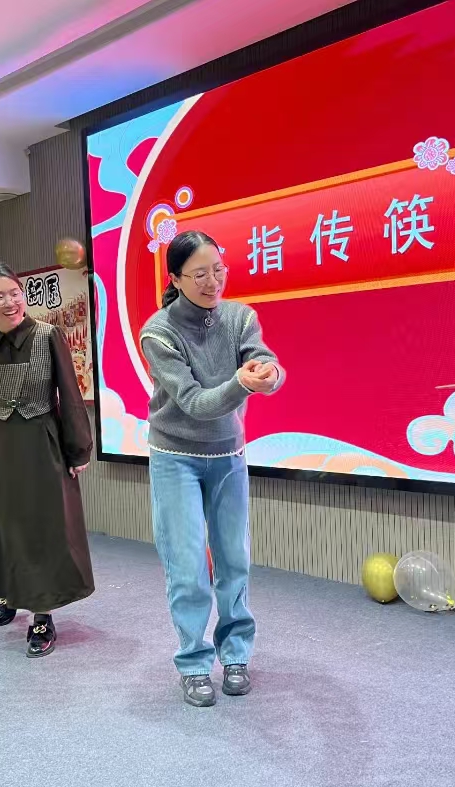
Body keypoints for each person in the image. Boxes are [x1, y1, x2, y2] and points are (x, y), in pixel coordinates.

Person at [140, 230, 285, 707]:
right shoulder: (158, 332)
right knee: (187, 568)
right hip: (175, 457)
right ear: (176, 279)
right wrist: (241, 383)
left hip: (227, 457)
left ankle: (236, 654)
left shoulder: (241, 317)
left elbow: (265, 362)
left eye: (218, 270)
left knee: (234, 560)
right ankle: (194, 662)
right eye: (200, 274)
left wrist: (269, 375)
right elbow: (194, 403)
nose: (212, 281)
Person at [0, 260, 94, 659]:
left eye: (15, 293)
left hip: (43, 444)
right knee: (4, 524)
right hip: (1, 445)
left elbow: (70, 393)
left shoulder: (47, 334)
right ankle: (8, 592)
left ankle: (42, 615)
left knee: (42, 528)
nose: (11, 302)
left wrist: (78, 448)